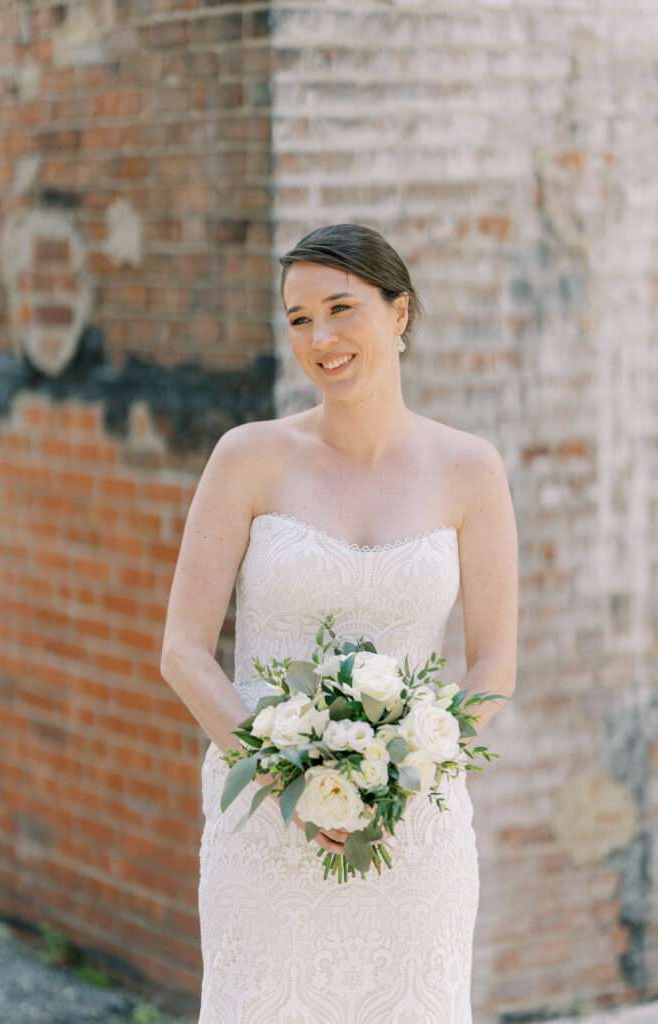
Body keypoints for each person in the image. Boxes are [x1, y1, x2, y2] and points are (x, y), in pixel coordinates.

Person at [160, 223, 519, 1022]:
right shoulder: (248, 457)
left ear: (400, 315)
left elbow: (494, 665)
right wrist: (290, 778)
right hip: (267, 823)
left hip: (412, 833)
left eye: (340, 308)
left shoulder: (471, 470)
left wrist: (397, 779)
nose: (319, 338)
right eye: (297, 318)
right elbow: (184, 651)